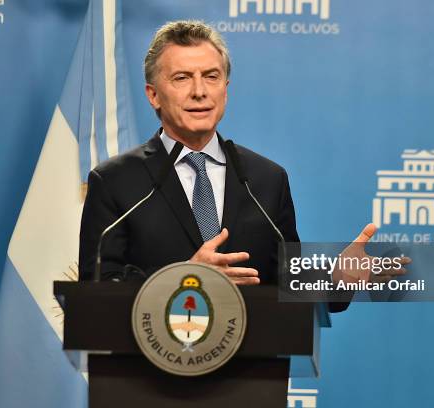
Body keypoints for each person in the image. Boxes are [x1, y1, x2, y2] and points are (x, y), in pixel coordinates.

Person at [78, 20, 406, 292]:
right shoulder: (115, 181)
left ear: (226, 88)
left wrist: (337, 279)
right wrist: (185, 277)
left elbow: (287, 278)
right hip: (150, 365)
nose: (199, 91)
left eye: (211, 76)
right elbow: (96, 288)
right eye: (182, 78)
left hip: (248, 365)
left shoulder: (266, 179)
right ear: (153, 95)